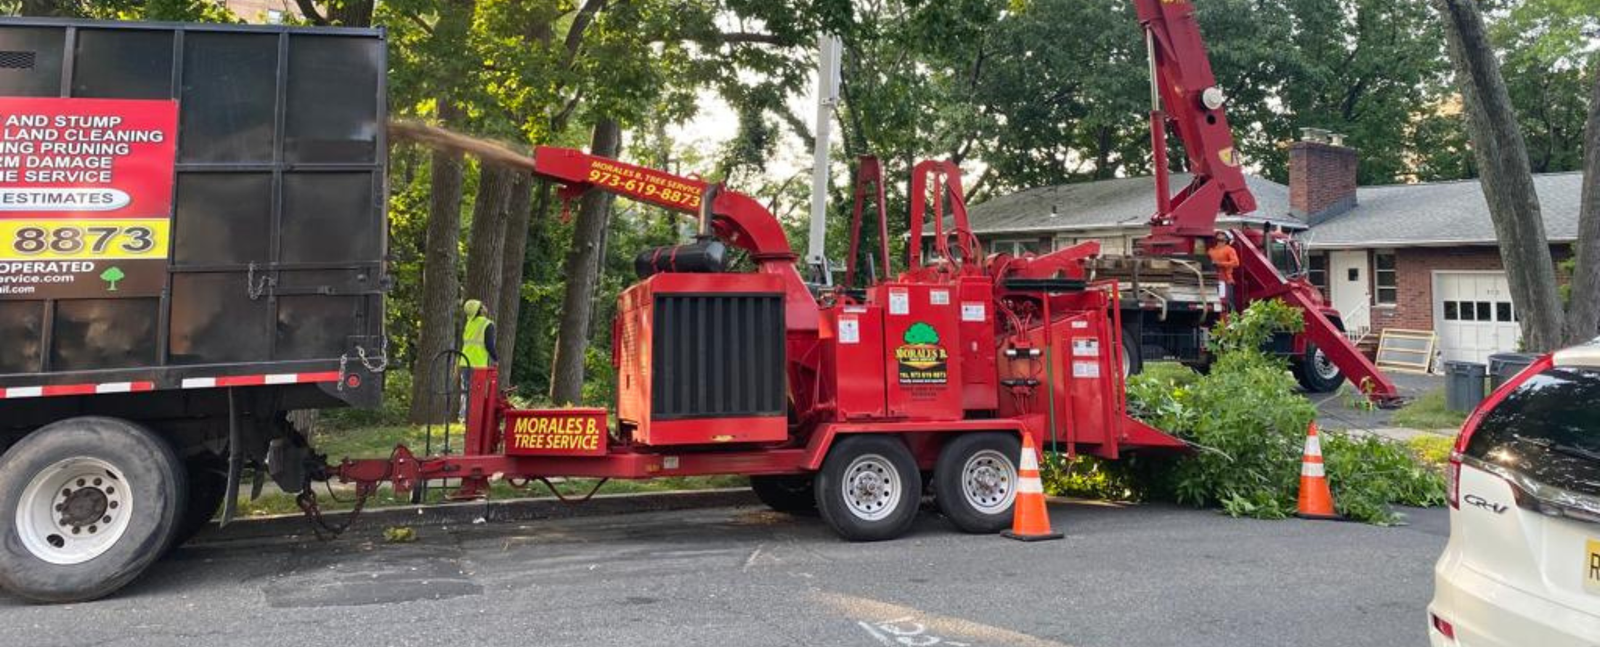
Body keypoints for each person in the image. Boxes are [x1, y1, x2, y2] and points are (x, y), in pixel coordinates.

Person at [458, 299, 497, 419]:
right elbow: (489, 345)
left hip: (465, 362)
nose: (485, 307)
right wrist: (496, 359)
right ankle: (474, 418)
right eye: (482, 305)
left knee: (466, 391)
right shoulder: (487, 324)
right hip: (478, 363)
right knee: (477, 392)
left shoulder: (469, 324)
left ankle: (464, 416)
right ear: (479, 310)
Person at [1207, 230, 1240, 311]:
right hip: (1212, 280)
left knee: (1227, 303)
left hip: (1226, 281)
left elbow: (1236, 263)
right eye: (1218, 238)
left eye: (1222, 237)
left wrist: (1219, 263)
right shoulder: (1211, 251)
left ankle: (1232, 320)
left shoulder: (1229, 249)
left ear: (1227, 239)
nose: (1219, 241)